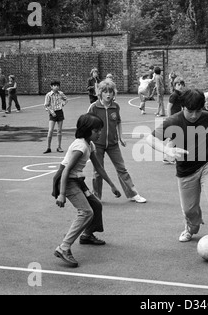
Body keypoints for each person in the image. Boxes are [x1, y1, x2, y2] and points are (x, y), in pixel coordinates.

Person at [145, 89, 208, 258]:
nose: (194, 115)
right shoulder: (173, 121)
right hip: (186, 170)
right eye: (190, 111)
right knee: (189, 210)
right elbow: (150, 139)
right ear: (183, 107)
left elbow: (207, 134)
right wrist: (167, 150)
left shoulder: (205, 116)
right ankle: (191, 228)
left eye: (198, 110)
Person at [52, 113, 121, 268]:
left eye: (100, 130)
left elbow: (98, 167)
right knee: (86, 212)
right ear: (87, 130)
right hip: (67, 180)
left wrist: (112, 185)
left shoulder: (90, 144)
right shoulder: (81, 146)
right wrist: (62, 194)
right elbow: (66, 170)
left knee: (96, 206)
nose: (99, 133)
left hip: (77, 180)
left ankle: (87, 235)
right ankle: (63, 247)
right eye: (96, 131)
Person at [88, 79, 147, 203]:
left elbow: (118, 122)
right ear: (100, 93)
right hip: (97, 144)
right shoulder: (94, 107)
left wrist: (121, 137)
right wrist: (88, 141)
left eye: (110, 92)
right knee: (98, 171)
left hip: (113, 144)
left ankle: (132, 194)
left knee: (121, 169)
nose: (108, 94)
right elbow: (87, 124)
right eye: (105, 92)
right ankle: (97, 196)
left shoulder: (115, 107)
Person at [43, 80, 68, 154]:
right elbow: (46, 105)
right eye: (54, 85)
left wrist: (62, 104)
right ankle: (48, 147)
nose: (56, 87)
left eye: (57, 85)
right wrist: (51, 111)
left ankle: (59, 147)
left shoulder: (60, 93)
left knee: (59, 130)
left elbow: (66, 99)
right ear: (51, 86)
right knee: (50, 130)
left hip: (59, 112)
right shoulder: (49, 95)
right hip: (52, 113)